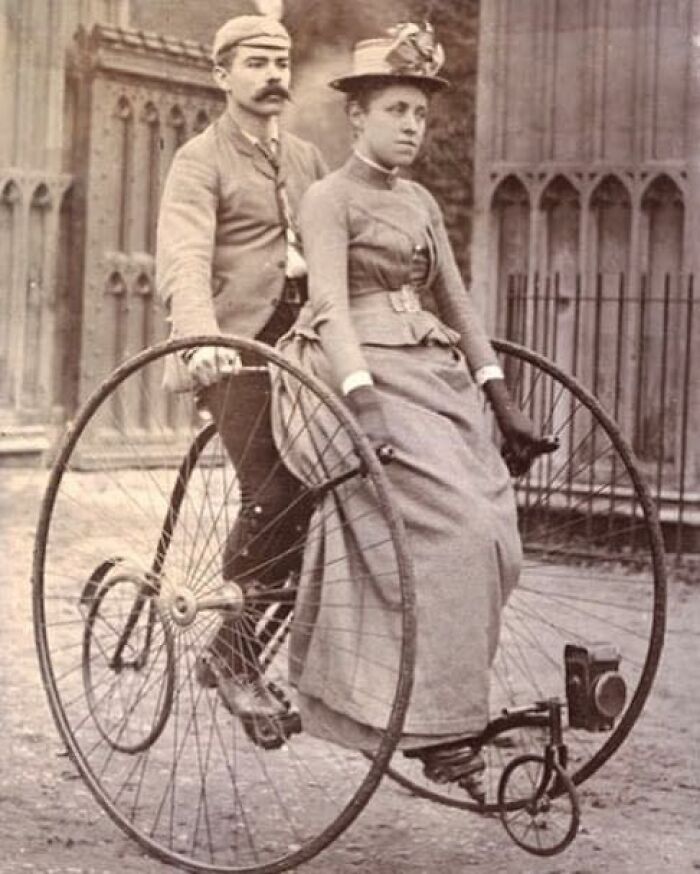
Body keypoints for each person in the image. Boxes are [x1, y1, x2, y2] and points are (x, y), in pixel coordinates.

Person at [271, 22, 556, 801]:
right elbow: (328, 305)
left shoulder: (422, 201)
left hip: (430, 376)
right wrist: (362, 403)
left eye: (420, 115)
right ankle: (433, 729)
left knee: (495, 530)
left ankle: (446, 706)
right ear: (356, 115)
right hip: (350, 372)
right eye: (396, 108)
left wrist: (502, 399)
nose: (410, 126)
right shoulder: (328, 199)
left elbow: (458, 304)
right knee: (453, 531)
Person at [156, 13, 327, 719]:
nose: (273, 76)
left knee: (332, 488)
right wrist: (201, 336)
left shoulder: (309, 159)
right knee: (279, 487)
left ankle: (248, 647)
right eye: (256, 63)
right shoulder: (200, 159)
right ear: (221, 75)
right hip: (235, 352)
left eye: (282, 62)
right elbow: (185, 256)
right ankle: (234, 652)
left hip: (305, 347)